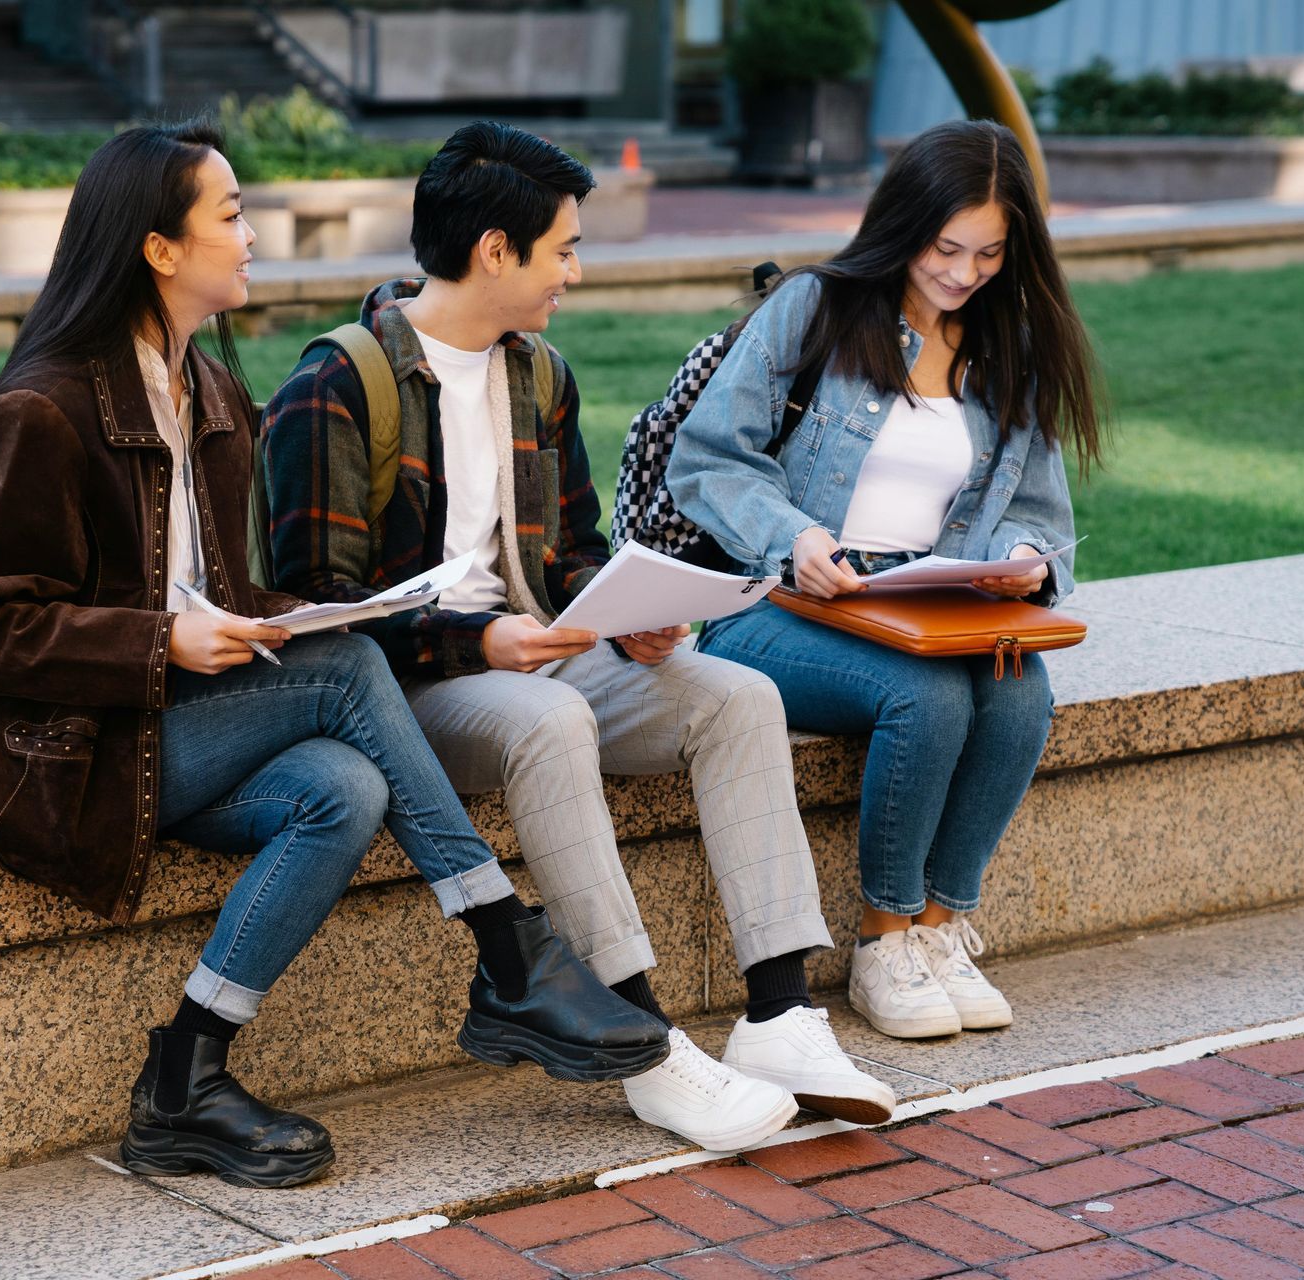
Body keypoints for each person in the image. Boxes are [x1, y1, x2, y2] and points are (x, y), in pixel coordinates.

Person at [0, 122, 668, 1191]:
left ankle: (186, 1071)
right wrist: (164, 636)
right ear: (160, 249)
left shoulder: (207, 392)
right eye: (229, 215)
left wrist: (276, 618)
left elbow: (216, 584)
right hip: (61, 755)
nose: (253, 235)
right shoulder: (42, 407)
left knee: (344, 787)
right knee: (353, 668)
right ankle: (504, 944)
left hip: (169, 728)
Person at [262, 121, 896, 1154]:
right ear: (494, 250)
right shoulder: (339, 384)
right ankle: (637, 1038)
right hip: (412, 686)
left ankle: (779, 1016)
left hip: (536, 656)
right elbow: (321, 609)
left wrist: (623, 605)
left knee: (737, 695)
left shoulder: (540, 375)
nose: (576, 269)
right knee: (550, 715)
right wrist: (481, 642)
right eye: (563, 246)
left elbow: (569, 553)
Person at [664, 119, 1105, 1040]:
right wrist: (793, 537)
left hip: (929, 601)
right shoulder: (816, 308)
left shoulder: (1010, 344)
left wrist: (1024, 559)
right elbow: (707, 459)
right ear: (904, 223)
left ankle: (942, 927)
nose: (963, 271)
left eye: (989, 253)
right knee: (931, 700)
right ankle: (882, 941)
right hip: (778, 599)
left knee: (1023, 693)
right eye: (946, 247)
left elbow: (1042, 513)